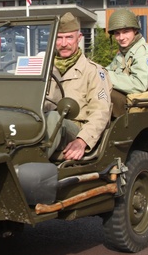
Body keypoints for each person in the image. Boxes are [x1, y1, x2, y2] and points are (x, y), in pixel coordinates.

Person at [46, 12, 112, 161]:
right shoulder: (45, 69)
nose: (63, 43)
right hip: (44, 127)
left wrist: (82, 141)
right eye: (59, 38)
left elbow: (100, 112)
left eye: (69, 37)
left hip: (74, 130)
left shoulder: (93, 71)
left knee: (54, 117)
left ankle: (32, 163)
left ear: (79, 38)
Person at [105, 9, 148, 116]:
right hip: (131, 101)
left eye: (126, 32)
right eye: (117, 33)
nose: (121, 37)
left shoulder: (144, 53)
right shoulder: (123, 54)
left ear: (135, 30)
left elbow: (139, 85)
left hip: (143, 105)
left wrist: (105, 76)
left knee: (106, 95)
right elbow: (107, 70)